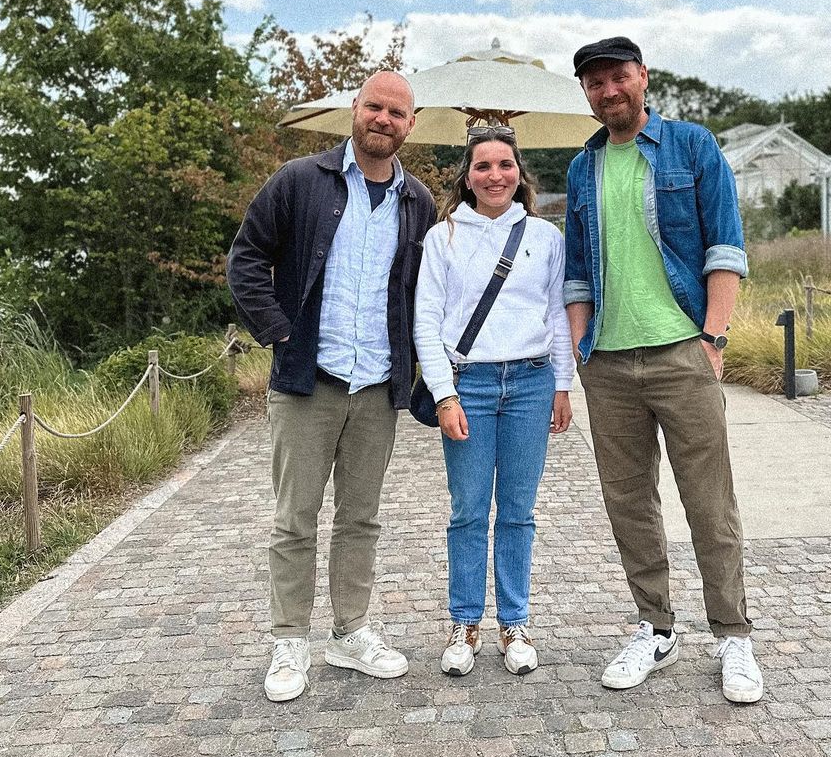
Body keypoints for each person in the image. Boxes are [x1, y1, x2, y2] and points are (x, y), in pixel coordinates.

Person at [564, 37, 763, 704]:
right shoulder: (581, 169)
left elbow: (725, 245)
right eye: (594, 83)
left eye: (618, 77)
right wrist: (581, 345)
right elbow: (576, 271)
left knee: (710, 501)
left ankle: (733, 635)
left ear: (642, 78)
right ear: (586, 94)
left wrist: (713, 337)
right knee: (629, 504)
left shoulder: (691, 146)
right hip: (610, 363)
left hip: (684, 350)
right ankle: (654, 626)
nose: (608, 91)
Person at [227, 71, 436, 702]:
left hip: (377, 383)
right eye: (374, 106)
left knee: (360, 518)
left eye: (396, 112)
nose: (383, 119)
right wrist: (279, 331)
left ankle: (351, 633)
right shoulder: (299, 181)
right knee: (294, 518)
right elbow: (246, 258)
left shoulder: (417, 202)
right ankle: (290, 639)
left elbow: (424, 293)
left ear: (410, 124)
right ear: (355, 109)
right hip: (307, 381)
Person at [413, 127, 574, 678]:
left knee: (518, 512)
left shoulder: (544, 236)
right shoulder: (444, 237)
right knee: (468, 510)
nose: (495, 175)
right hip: (469, 386)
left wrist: (562, 384)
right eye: (482, 166)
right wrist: (444, 395)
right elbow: (426, 322)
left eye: (505, 165)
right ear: (467, 176)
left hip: (531, 382)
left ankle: (515, 621)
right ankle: (464, 621)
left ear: (520, 174)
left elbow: (557, 315)